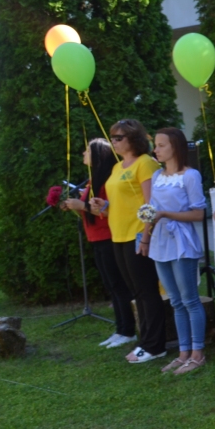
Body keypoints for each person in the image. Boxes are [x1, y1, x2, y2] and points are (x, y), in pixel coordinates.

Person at [90, 119, 166, 364]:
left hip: (137, 235)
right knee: (136, 292)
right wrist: (105, 206)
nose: (113, 141)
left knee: (146, 291)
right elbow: (122, 202)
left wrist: (145, 236)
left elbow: (150, 205)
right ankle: (145, 340)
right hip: (118, 235)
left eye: (118, 137)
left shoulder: (146, 164)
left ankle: (155, 345)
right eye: (112, 137)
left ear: (134, 139)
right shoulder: (117, 167)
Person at [61, 138, 135, 348]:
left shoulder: (107, 180)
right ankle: (120, 329)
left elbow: (107, 209)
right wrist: (74, 206)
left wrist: (81, 205)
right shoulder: (94, 180)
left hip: (109, 237)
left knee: (118, 285)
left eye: (87, 150)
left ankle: (128, 331)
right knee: (111, 285)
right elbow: (88, 212)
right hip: (96, 238)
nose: (83, 154)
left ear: (98, 155)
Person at [146, 128, 208, 375]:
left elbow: (198, 213)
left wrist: (165, 214)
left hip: (181, 240)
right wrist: (145, 238)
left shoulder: (190, 176)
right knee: (175, 300)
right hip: (160, 242)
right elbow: (151, 210)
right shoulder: (157, 176)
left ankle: (198, 353)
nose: (156, 150)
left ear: (175, 147)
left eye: (161, 145)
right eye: (156, 145)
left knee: (189, 299)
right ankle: (183, 353)